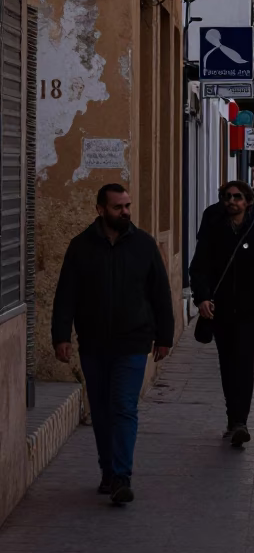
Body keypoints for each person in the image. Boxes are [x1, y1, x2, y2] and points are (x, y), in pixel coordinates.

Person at [51, 183, 174, 505]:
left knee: (123, 408)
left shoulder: (144, 245)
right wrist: (61, 336)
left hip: (133, 342)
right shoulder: (81, 247)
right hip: (93, 343)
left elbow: (160, 293)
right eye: (118, 207)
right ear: (100, 209)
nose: (126, 212)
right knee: (103, 411)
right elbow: (66, 295)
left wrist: (164, 337)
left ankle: (122, 475)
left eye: (128, 206)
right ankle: (107, 470)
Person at [189, 180, 254, 447]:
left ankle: (240, 422)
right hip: (220, 309)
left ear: (247, 202)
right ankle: (233, 419)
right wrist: (202, 298)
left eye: (237, 197)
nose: (232, 201)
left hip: (252, 309)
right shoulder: (214, 229)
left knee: (244, 362)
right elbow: (199, 267)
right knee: (228, 363)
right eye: (227, 197)